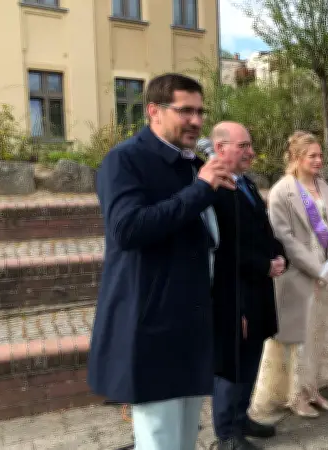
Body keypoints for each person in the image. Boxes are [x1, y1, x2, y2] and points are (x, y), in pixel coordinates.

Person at [89, 73, 236, 450]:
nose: (197, 121)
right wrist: (201, 189)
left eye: (200, 112)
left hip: (189, 322)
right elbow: (127, 229)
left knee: (185, 439)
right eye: (185, 110)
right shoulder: (125, 160)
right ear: (154, 111)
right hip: (150, 325)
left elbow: (203, 235)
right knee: (159, 441)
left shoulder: (190, 164)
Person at [247, 130, 328, 421]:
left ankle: (313, 388)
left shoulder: (323, 186)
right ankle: (295, 395)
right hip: (299, 275)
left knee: (318, 333)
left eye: (320, 155)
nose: (319, 160)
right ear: (297, 158)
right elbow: (284, 238)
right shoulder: (281, 191)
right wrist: (317, 268)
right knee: (298, 337)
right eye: (313, 156)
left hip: (325, 272)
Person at [209, 122, 288, 450]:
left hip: (257, 290)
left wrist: (279, 255)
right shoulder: (212, 190)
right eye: (243, 146)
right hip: (233, 292)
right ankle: (226, 434)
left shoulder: (246, 184)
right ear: (220, 149)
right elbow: (222, 246)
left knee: (252, 356)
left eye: (249, 145)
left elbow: (262, 229)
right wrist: (262, 264)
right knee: (233, 364)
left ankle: (241, 418)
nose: (251, 153)